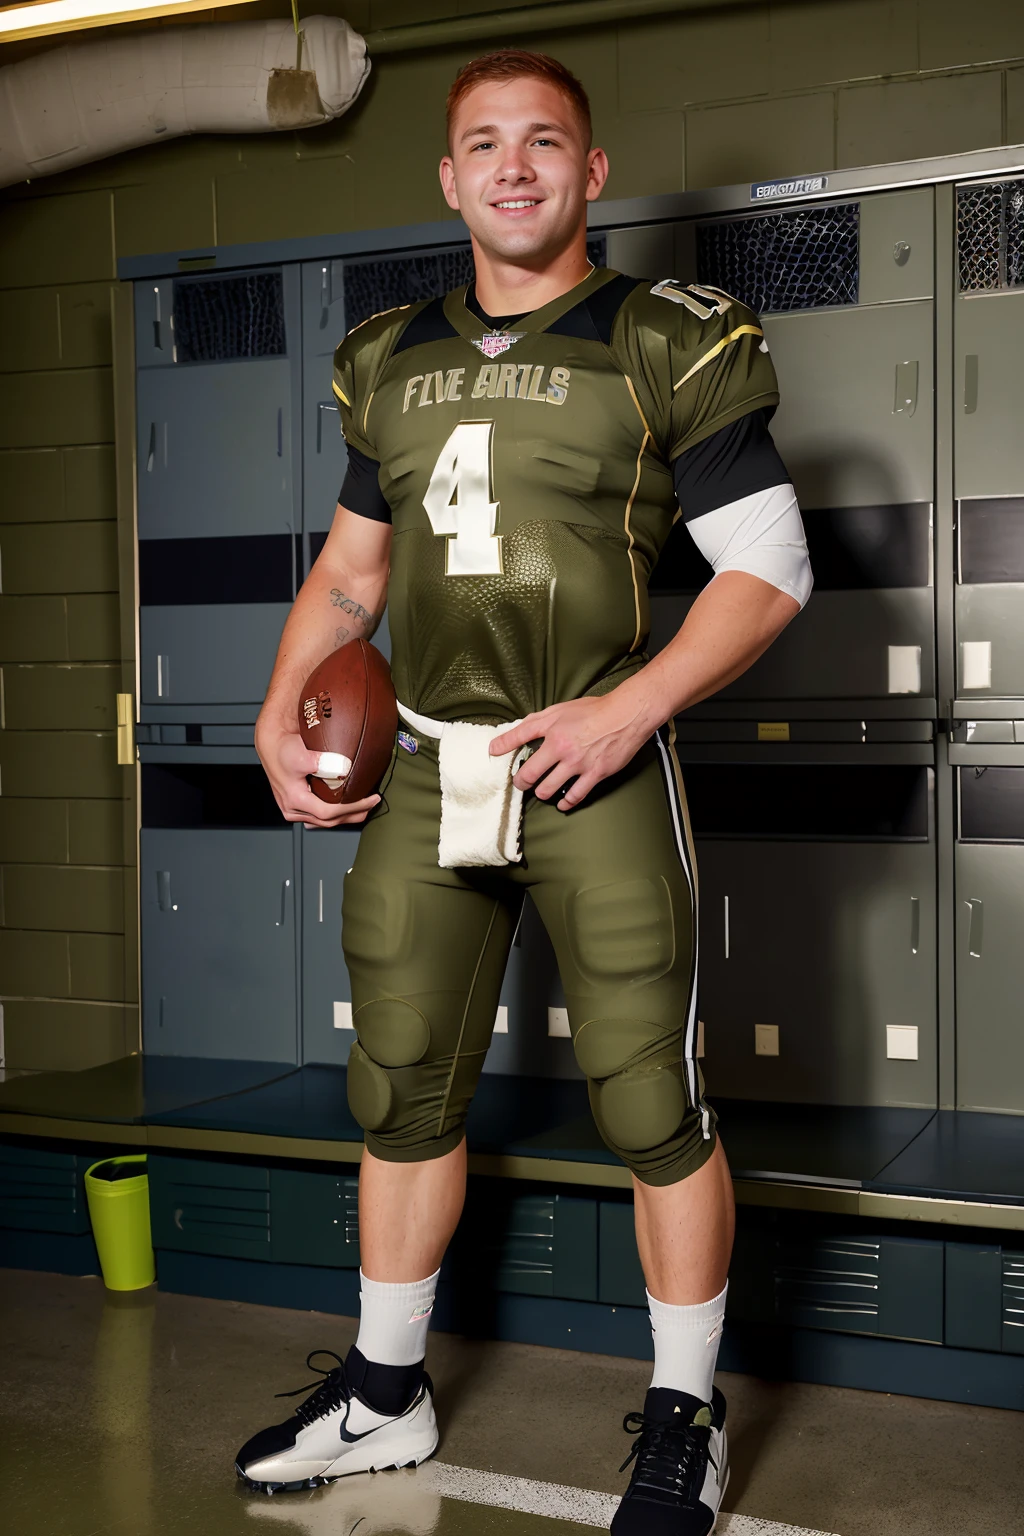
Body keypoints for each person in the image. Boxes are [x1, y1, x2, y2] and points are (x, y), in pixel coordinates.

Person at [237, 48, 812, 1534]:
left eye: (543, 142)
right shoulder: (388, 354)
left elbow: (769, 570)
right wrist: (278, 709)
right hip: (430, 759)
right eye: (483, 143)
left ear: (590, 171)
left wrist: (633, 709)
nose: (512, 165)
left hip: (590, 756)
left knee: (648, 1093)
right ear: (448, 177)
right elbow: (350, 578)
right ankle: (384, 1390)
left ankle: (686, 1416)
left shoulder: (665, 335)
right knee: (401, 1079)